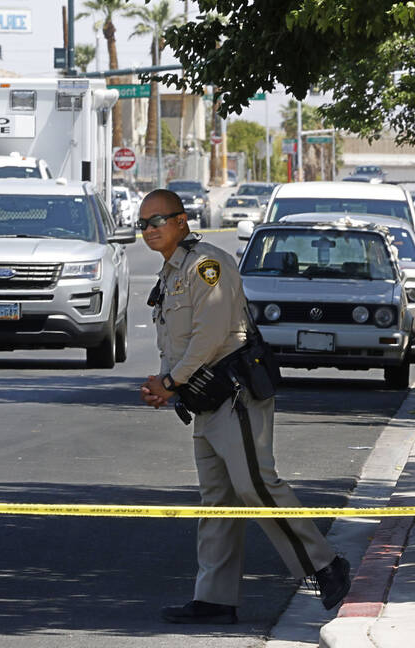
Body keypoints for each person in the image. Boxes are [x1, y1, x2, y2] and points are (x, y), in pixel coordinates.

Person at [138, 189, 351, 625]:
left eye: (159, 220)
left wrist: (169, 381)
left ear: (182, 221)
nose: (150, 230)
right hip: (203, 400)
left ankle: (325, 565)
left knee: (256, 485)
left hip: (234, 396)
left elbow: (210, 336)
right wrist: (170, 387)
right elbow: (175, 341)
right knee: (217, 500)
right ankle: (215, 598)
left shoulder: (207, 266)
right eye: (144, 224)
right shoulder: (170, 273)